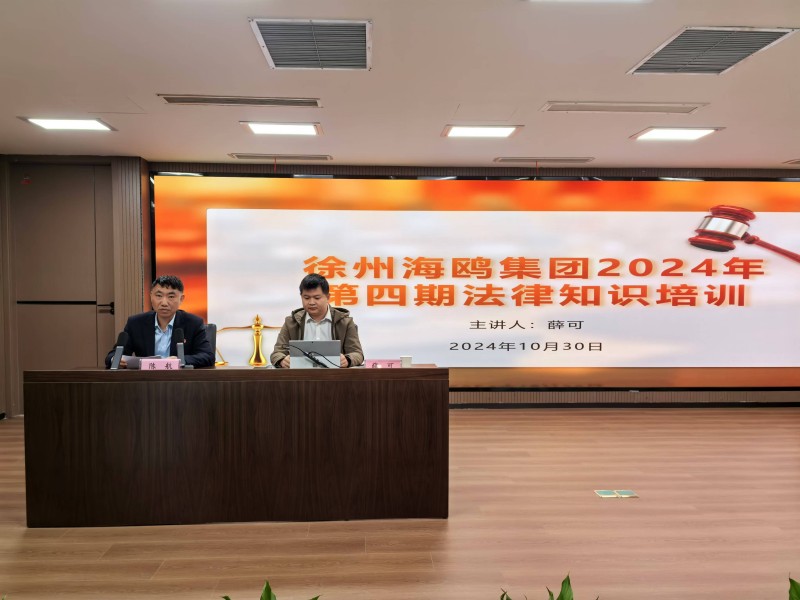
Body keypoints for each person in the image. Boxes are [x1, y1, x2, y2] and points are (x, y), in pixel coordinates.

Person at [104, 275, 214, 368]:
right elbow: (112, 355)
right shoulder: (136, 323)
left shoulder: (193, 323)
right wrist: (115, 359)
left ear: (181, 299)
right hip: (146, 380)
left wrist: (180, 360)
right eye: (159, 296)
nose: (164, 303)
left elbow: (208, 356)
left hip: (180, 381)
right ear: (151, 296)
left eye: (171, 296)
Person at [271, 273, 364, 368]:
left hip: (334, 375)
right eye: (306, 298)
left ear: (328, 297)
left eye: (317, 298)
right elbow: (277, 353)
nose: (311, 302)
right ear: (301, 297)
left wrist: (347, 360)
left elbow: (357, 354)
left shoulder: (344, 322)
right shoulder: (291, 322)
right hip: (300, 375)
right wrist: (282, 360)